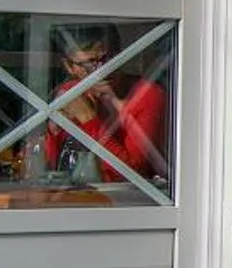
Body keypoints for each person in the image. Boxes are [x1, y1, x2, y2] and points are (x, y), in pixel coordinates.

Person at [39, 24, 168, 183]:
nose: (101, 70)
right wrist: (54, 132)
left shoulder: (146, 94)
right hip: (75, 196)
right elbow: (47, 168)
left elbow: (134, 174)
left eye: (108, 59)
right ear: (69, 67)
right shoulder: (70, 92)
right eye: (89, 64)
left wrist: (89, 119)